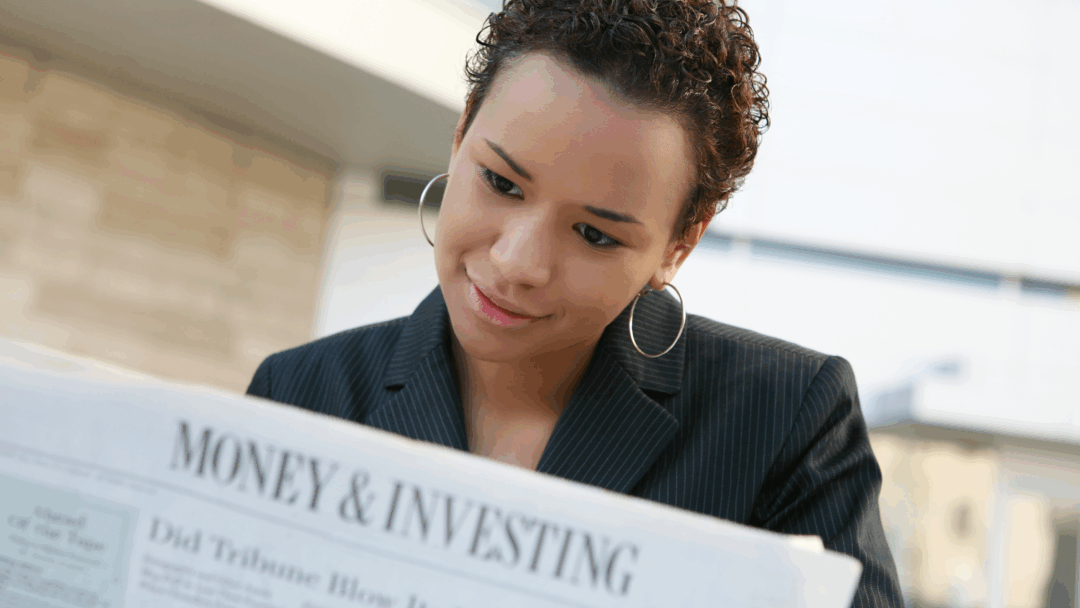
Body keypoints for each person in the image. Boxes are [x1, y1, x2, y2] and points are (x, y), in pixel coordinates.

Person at [247, 0, 903, 605]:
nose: (516, 263)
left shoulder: (784, 421)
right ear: (461, 132)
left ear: (679, 242)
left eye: (594, 233)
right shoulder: (301, 397)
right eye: (501, 182)